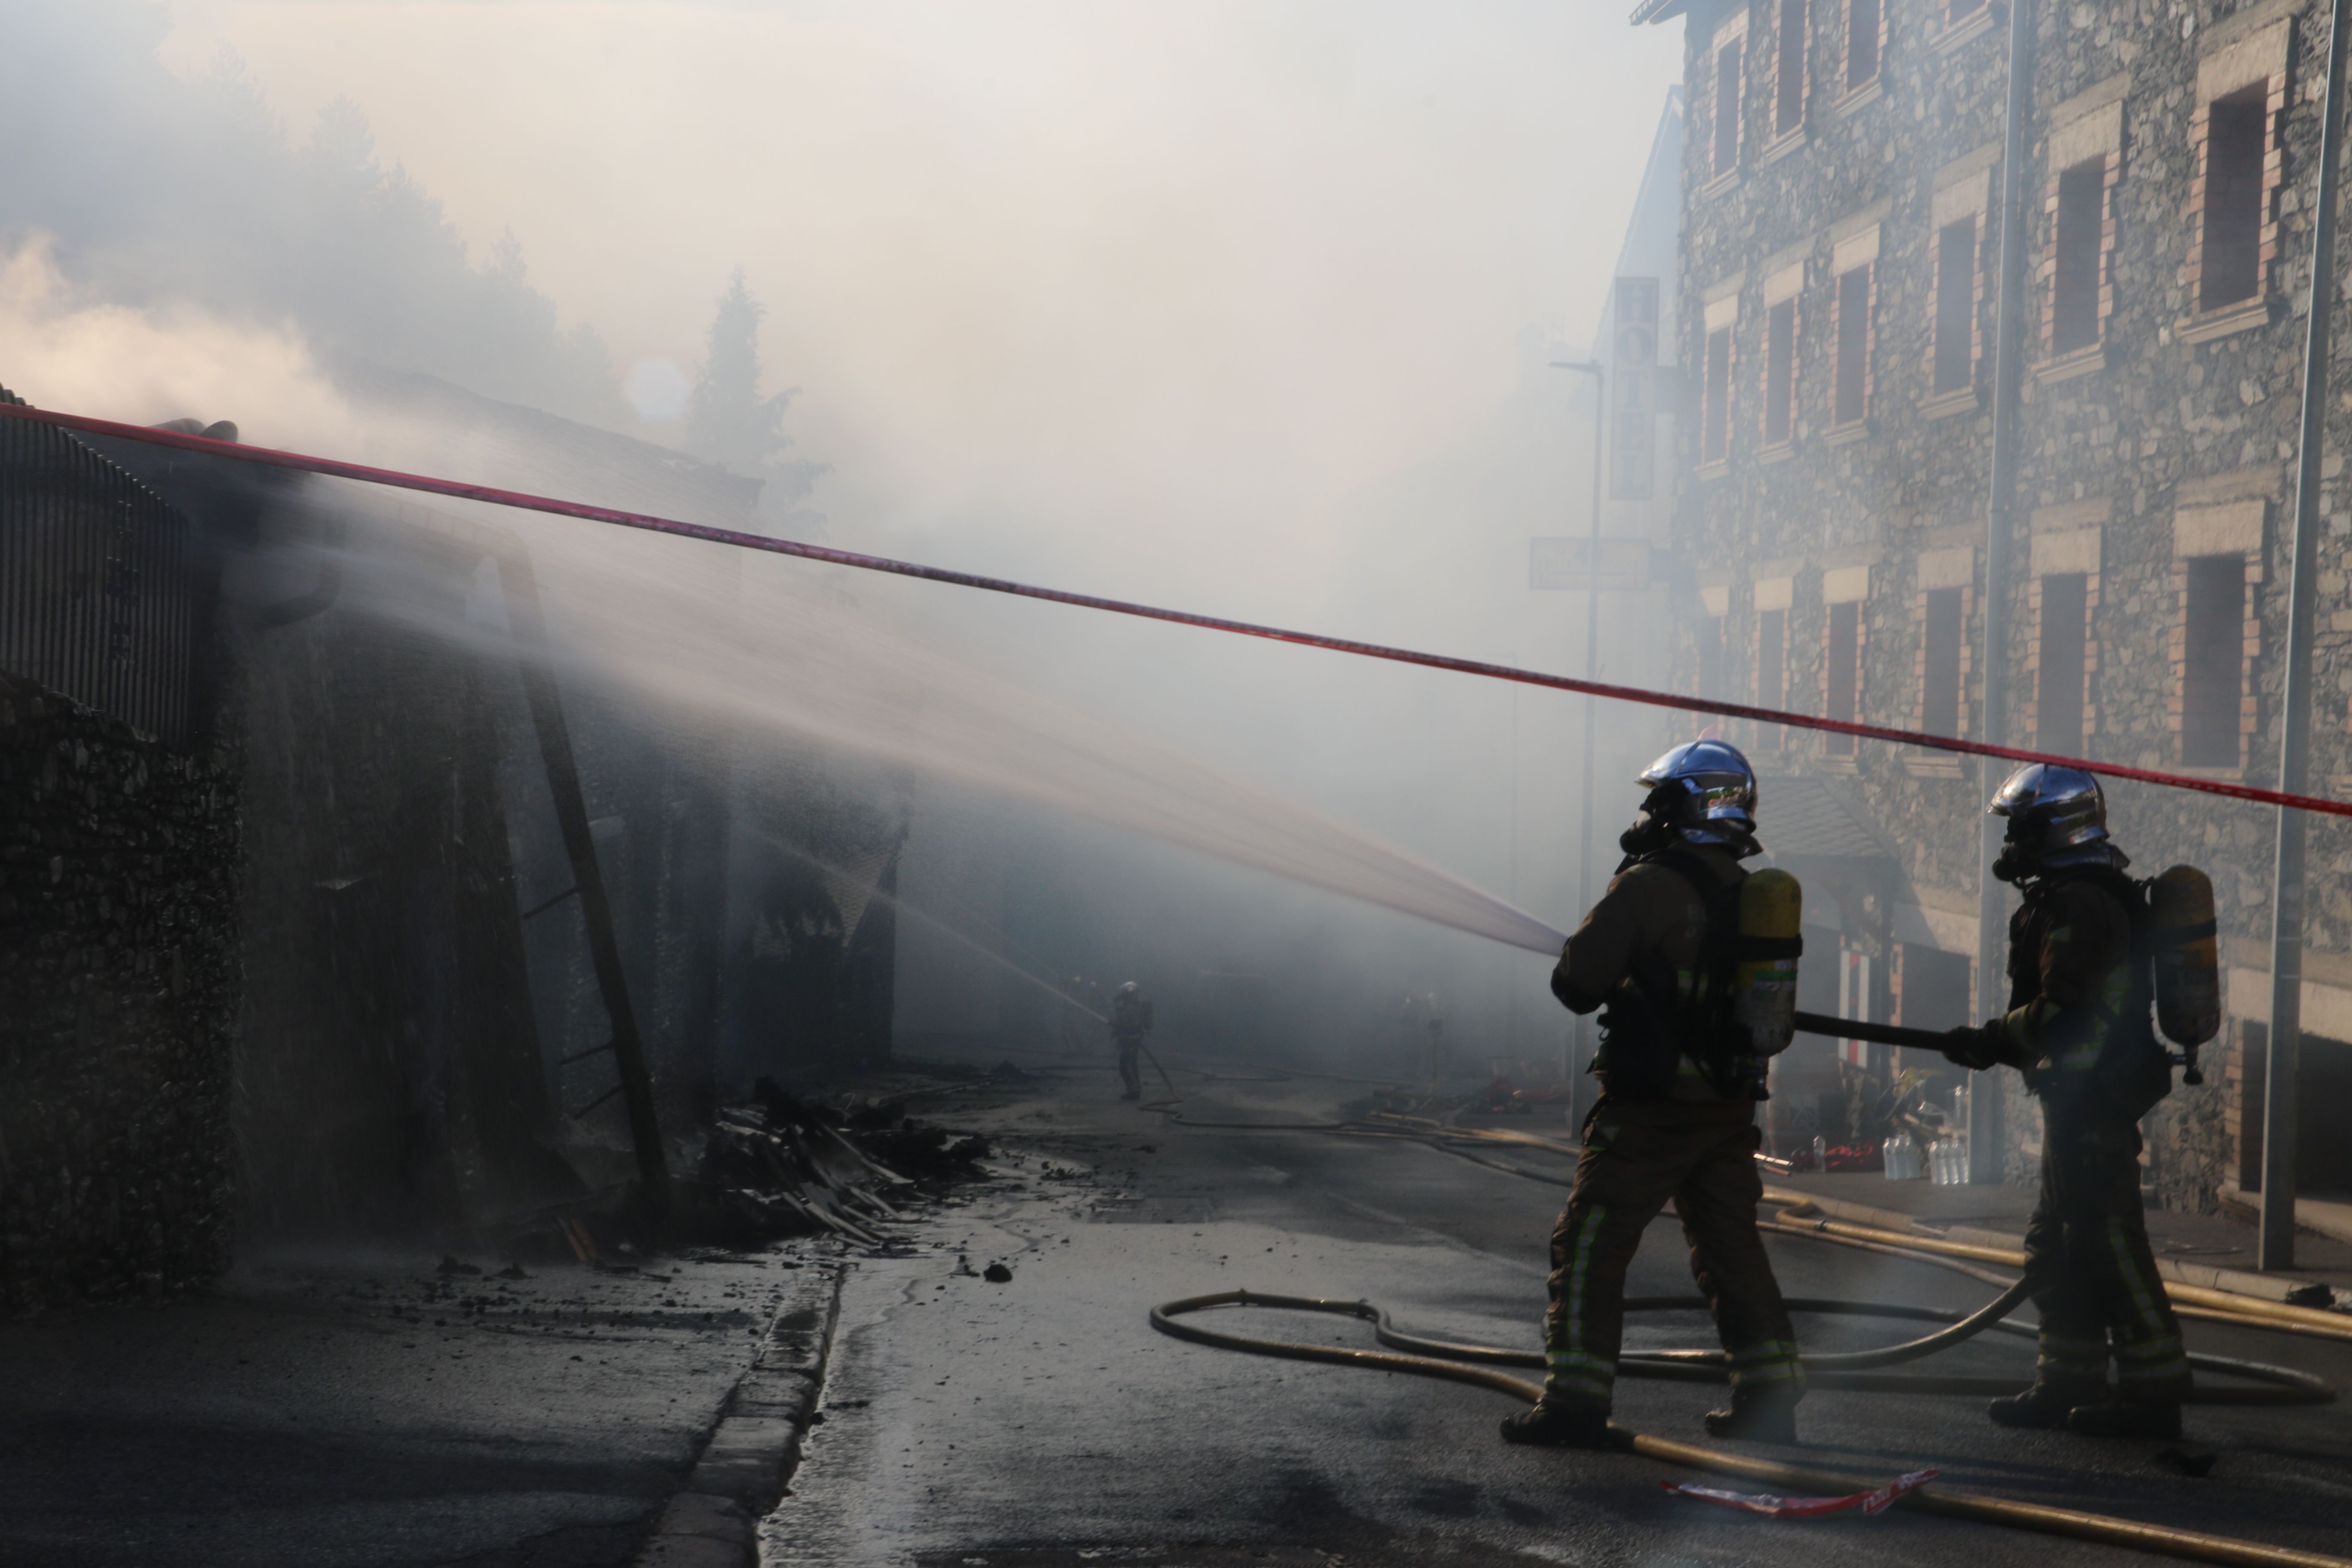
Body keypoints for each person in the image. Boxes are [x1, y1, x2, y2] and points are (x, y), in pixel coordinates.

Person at [1501, 740, 1805, 1449]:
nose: (1646, 813)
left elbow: (1577, 984)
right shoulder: (1748, 890)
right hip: (1726, 1108)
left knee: (1588, 1246)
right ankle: (1769, 1402)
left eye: (1656, 800)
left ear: (1677, 807)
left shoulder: (1646, 886)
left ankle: (1574, 1402)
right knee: (1733, 1252)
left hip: (1649, 1109)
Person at [1939, 764, 2190, 1439]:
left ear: (2057, 827)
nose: (2012, 842)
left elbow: (2063, 1008)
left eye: (2022, 827)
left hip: (2094, 1102)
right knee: (2058, 1244)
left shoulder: (2079, 901)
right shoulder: (2069, 893)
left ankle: (2153, 1394)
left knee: (2109, 1243)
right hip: (2074, 1100)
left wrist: (1989, 1040)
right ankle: (2067, 1381)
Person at [1110, 981, 1153, 1102]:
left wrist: (1116, 1024)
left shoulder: (1132, 1008)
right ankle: (1133, 1091)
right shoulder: (1131, 1006)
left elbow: (1130, 1024)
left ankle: (1134, 1092)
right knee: (1129, 1066)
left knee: (1127, 1067)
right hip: (1130, 1041)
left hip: (1131, 1041)